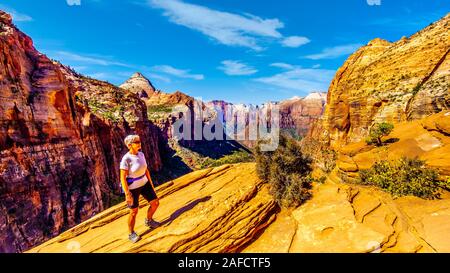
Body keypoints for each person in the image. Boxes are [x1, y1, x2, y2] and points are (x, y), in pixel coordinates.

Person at [120, 134, 160, 243]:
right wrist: (127, 194)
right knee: (134, 211)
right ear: (129, 145)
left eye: (139, 141)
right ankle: (131, 233)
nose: (139, 143)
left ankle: (149, 220)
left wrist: (151, 184)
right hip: (133, 188)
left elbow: (146, 170)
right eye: (136, 142)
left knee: (155, 203)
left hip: (145, 183)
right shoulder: (126, 159)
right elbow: (122, 177)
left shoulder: (141, 154)